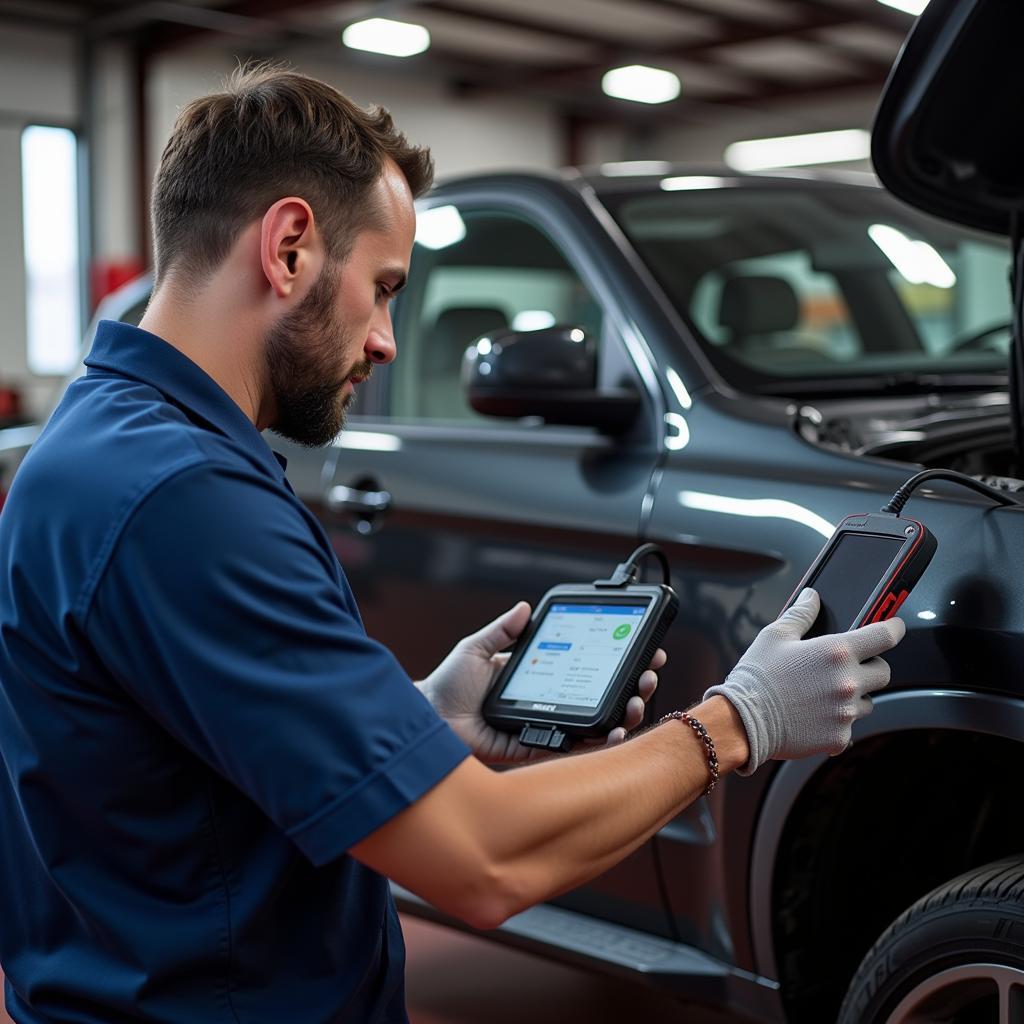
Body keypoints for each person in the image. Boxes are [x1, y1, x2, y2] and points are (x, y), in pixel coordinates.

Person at [0, 65, 904, 1024]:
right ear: (291, 246)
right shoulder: (182, 500)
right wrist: (743, 720)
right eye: (385, 288)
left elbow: (186, 770)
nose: (389, 339)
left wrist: (421, 725)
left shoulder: (104, 442)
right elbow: (481, 862)